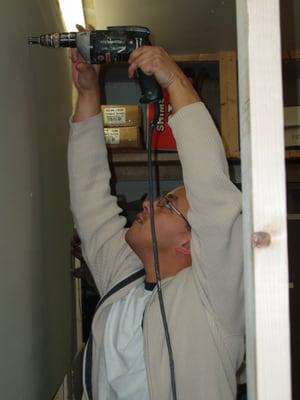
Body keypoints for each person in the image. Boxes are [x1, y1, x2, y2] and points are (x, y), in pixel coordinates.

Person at [68, 26, 244, 400]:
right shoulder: (124, 279)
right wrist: (87, 92)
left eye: (167, 204)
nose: (147, 203)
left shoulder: (214, 299)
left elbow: (212, 193)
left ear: (188, 242)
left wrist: (174, 79)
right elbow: (90, 202)